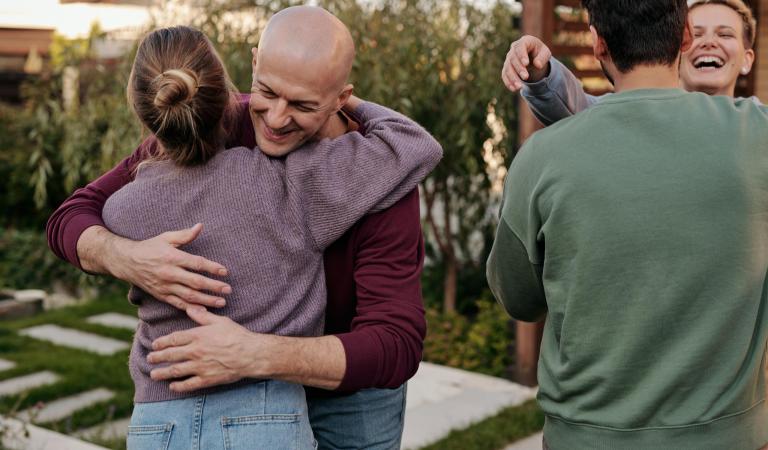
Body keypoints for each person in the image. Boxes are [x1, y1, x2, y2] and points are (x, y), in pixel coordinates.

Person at [47, 7, 434, 450]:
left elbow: (397, 344)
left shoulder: (381, 172)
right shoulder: (210, 122)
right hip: (224, 395)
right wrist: (128, 258)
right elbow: (71, 216)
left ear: (340, 97)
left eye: (304, 104)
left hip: (349, 394)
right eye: (267, 91)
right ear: (253, 64)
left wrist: (253, 353)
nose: (275, 118)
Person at [486, 0, 768, 449]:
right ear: (684, 40)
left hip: (587, 437)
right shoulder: (759, 137)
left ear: (597, 45)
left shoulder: (543, 156)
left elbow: (518, 298)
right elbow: (585, 107)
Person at [502, 0, 761, 125]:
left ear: (747, 59)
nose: (709, 42)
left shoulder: (758, 124)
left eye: (725, 34)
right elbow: (578, 105)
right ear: (682, 41)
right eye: (699, 33)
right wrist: (543, 72)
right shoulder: (639, 111)